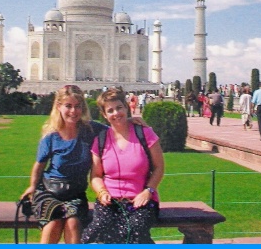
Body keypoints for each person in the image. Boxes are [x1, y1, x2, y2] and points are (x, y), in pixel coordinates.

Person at [20, 85, 147, 244]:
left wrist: (127, 120)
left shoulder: (90, 129)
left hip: (75, 192)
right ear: (59, 106)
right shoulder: (51, 136)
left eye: (77, 106)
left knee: (73, 224)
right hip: (49, 191)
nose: (73, 111)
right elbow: (39, 165)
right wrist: (32, 186)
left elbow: (113, 128)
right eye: (68, 106)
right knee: (53, 224)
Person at [81, 88, 164, 244]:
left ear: (127, 107)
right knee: (98, 227)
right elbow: (96, 176)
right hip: (111, 201)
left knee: (134, 229)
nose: (116, 113)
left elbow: (159, 167)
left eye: (119, 108)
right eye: (110, 110)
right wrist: (102, 192)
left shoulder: (144, 134)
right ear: (104, 115)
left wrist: (148, 191)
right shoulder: (101, 140)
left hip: (141, 199)